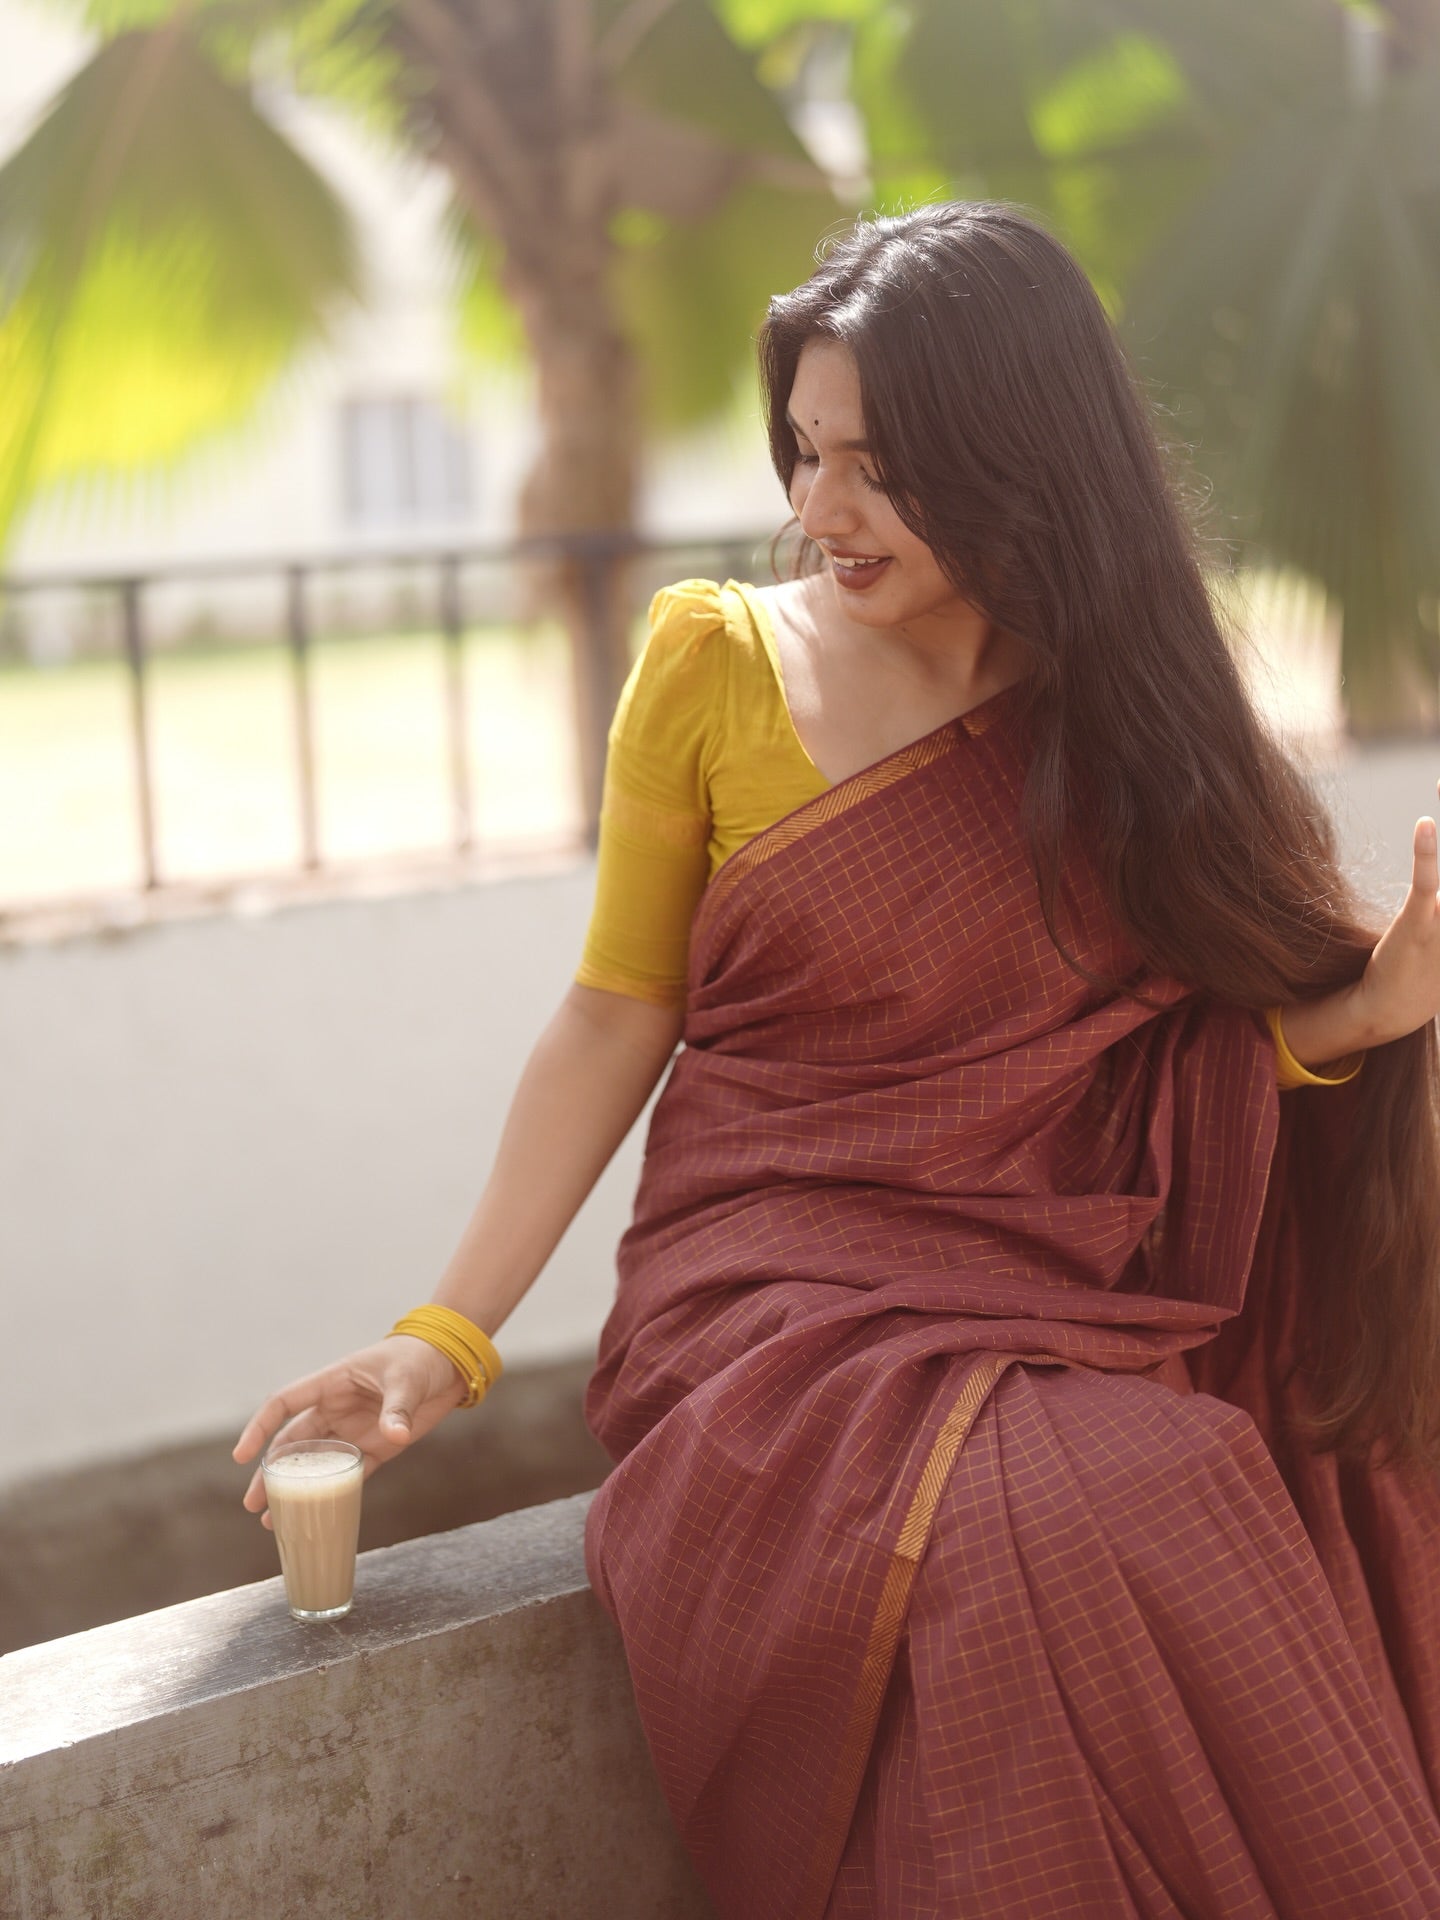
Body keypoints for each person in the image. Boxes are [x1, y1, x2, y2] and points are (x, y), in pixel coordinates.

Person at [235, 203, 1440, 1916]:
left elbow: (1166, 1066)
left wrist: (1375, 1014)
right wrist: (447, 1337)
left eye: (879, 466)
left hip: (1034, 1285)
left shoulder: (1125, 715)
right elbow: (612, 1013)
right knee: (1098, 1491)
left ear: (1022, 459)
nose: (823, 511)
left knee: (1167, 1481)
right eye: (804, 454)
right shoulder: (716, 661)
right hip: (771, 1295)